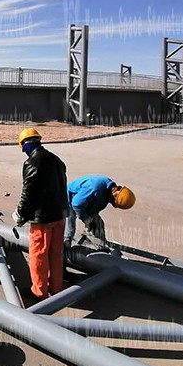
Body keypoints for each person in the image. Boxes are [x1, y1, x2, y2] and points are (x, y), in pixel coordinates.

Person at [13, 128, 68, 300]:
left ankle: (39, 292)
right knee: (56, 253)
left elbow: (28, 192)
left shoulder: (32, 163)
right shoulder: (56, 160)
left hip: (43, 219)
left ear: (25, 145)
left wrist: (20, 213)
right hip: (60, 215)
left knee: (39, 255)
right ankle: (56, 288)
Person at [63, 175, 135, 249]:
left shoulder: (108, 190)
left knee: (98, 223)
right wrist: (87, 220)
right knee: (69, 229)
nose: (113, 204)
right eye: (114, 202)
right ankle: (65, 249)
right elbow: (76, 204)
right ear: (115, 194)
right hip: (69, 199)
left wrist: (91, 221)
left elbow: (95, 205)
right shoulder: (95, 188)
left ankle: (100, 245)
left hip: (84, 201)